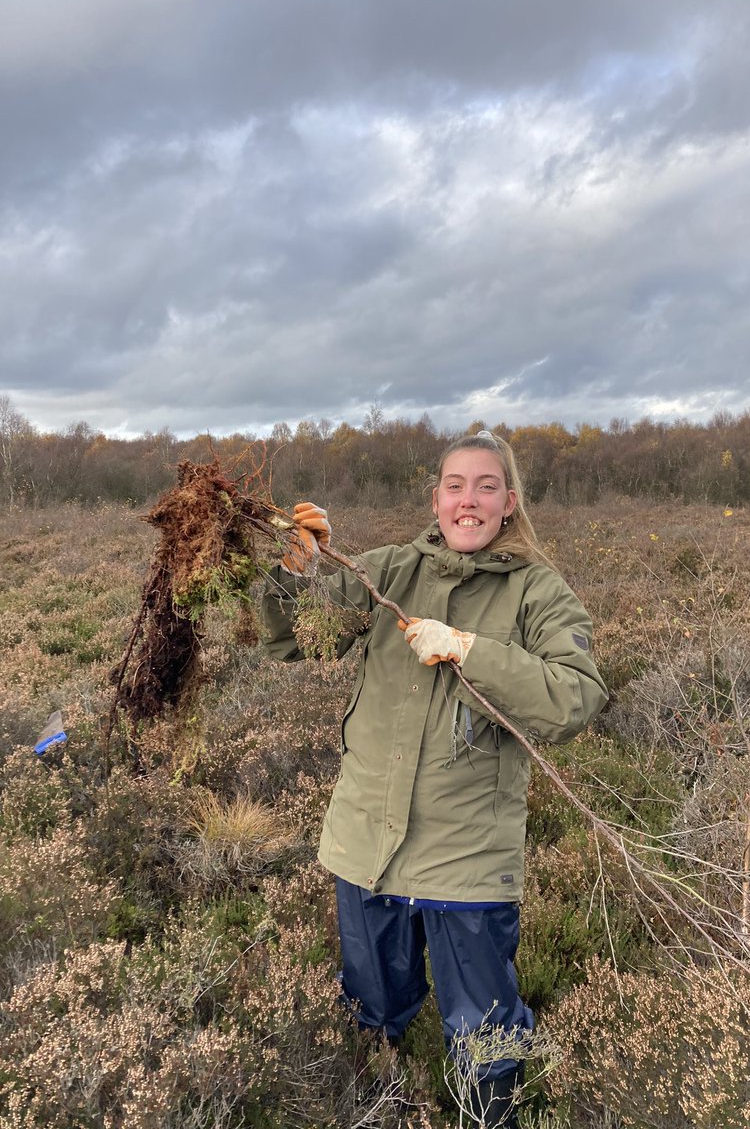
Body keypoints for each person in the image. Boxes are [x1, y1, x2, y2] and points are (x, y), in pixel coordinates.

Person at [261, 431, 608, 1127]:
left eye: (486, 486)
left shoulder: (537, 591)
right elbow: (291, 636)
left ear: (509, 503)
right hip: (367, 847)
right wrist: (297, 571)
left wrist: (472, 651)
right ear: (436, 498)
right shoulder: (387, 571)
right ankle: (374, 1106)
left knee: (483, 1030)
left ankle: (488, 1117)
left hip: (466, 860)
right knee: (368, 1008)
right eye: (456, 485)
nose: (468, 501)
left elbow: (577, 696)